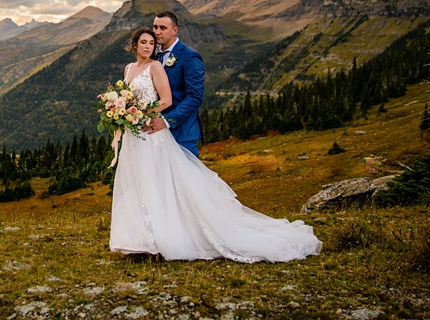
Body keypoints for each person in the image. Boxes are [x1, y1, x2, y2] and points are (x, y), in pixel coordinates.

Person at [109, 26, 322, 262]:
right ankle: (138, 240)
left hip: (150, 133)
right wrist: (120, 111)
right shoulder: (128, 68)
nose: (149, 46)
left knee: (156, 184)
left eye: (152, 43)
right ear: (134, 45)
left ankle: (159, 240)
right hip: (133, 135)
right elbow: (125, 96)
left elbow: (166, 100)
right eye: (144, 42)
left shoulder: (156, 67)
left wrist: (141, 113)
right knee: (137, 183)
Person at [145, 11, 203, 156]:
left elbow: (195, 97)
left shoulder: (190, 56)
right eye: (155, 27)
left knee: (186, 178)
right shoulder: (153, 56)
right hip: (155, 133)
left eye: (163, 28)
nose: (157, 32)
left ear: (174, 30)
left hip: (182, 133)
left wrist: (166, 121)